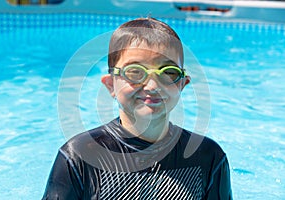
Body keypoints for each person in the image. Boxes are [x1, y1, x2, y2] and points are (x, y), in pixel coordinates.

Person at [42, 17, 232, 199]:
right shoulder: (80, 157)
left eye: (168, 73)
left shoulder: (208, 157)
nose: (152, 86)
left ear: (182, 84)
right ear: (110, 85)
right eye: (134, 72)